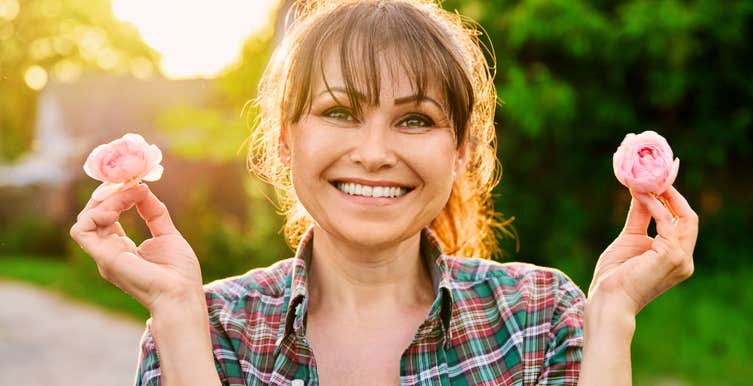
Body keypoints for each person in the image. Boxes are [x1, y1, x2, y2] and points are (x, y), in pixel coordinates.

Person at [69, 0, 699, 385]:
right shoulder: (209, 330)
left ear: (461, 152)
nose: (374, 153)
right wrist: (178, 315)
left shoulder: (543, 319)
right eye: (341, 112)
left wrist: (612, 316)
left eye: (416, 119)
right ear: (286, 141)